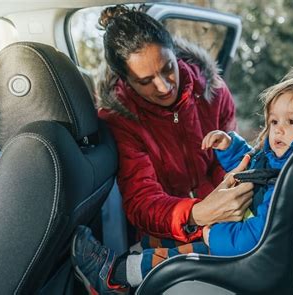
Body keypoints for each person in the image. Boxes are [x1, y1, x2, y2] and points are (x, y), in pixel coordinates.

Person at [71, 67, 293, 293]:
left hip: (242, 250)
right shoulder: (278, 157)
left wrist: (212, 233)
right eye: (274, 122)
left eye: (291, 123)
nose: (278, 131)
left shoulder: (292, 181)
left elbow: (255, 238)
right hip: (232, 228)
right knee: (156, 241)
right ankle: (124, 262)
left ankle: (112, 278)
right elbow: (252, 166)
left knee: (171, 258)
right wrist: (230, 147)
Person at [96, 4, 254, 247]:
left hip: (225, 214)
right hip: (167, 226)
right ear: (125, 80)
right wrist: (196, 213)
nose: (163, 87)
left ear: (174, 54)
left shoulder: (214, 91)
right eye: (145, 81)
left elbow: (228, 160)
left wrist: (230, 194)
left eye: (167, 68)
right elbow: (142, 201)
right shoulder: (120, 121)